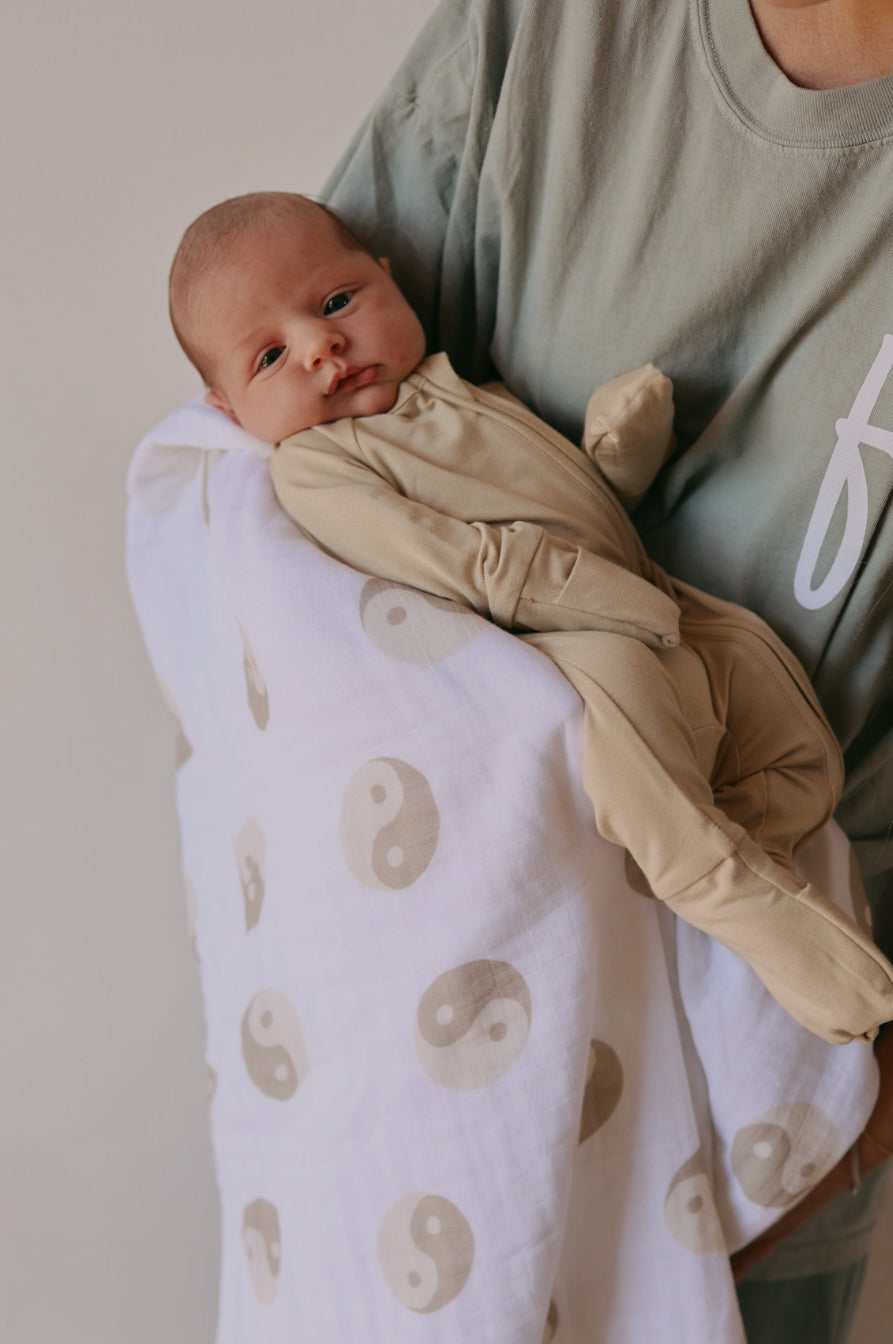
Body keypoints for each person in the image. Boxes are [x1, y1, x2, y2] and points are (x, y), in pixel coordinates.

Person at [306, 0, 893, 1338]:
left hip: (775, 1149)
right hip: (450, 1070)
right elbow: (266, 480)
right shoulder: (554, 36)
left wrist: (861, 1130)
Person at [168, 189, 893, 1047]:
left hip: (650, 603)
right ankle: (733, 896)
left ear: (387, 279)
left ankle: (728, 864)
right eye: (269, 358)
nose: (321, 346)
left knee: (789, 722)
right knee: (623, 717)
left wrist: (612, 462)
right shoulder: (320, 465)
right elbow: (457, 562)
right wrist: (611, 603)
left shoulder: (460, 388)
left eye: (335, 303)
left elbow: (562, 499)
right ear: (227, 410)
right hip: (561, 644)